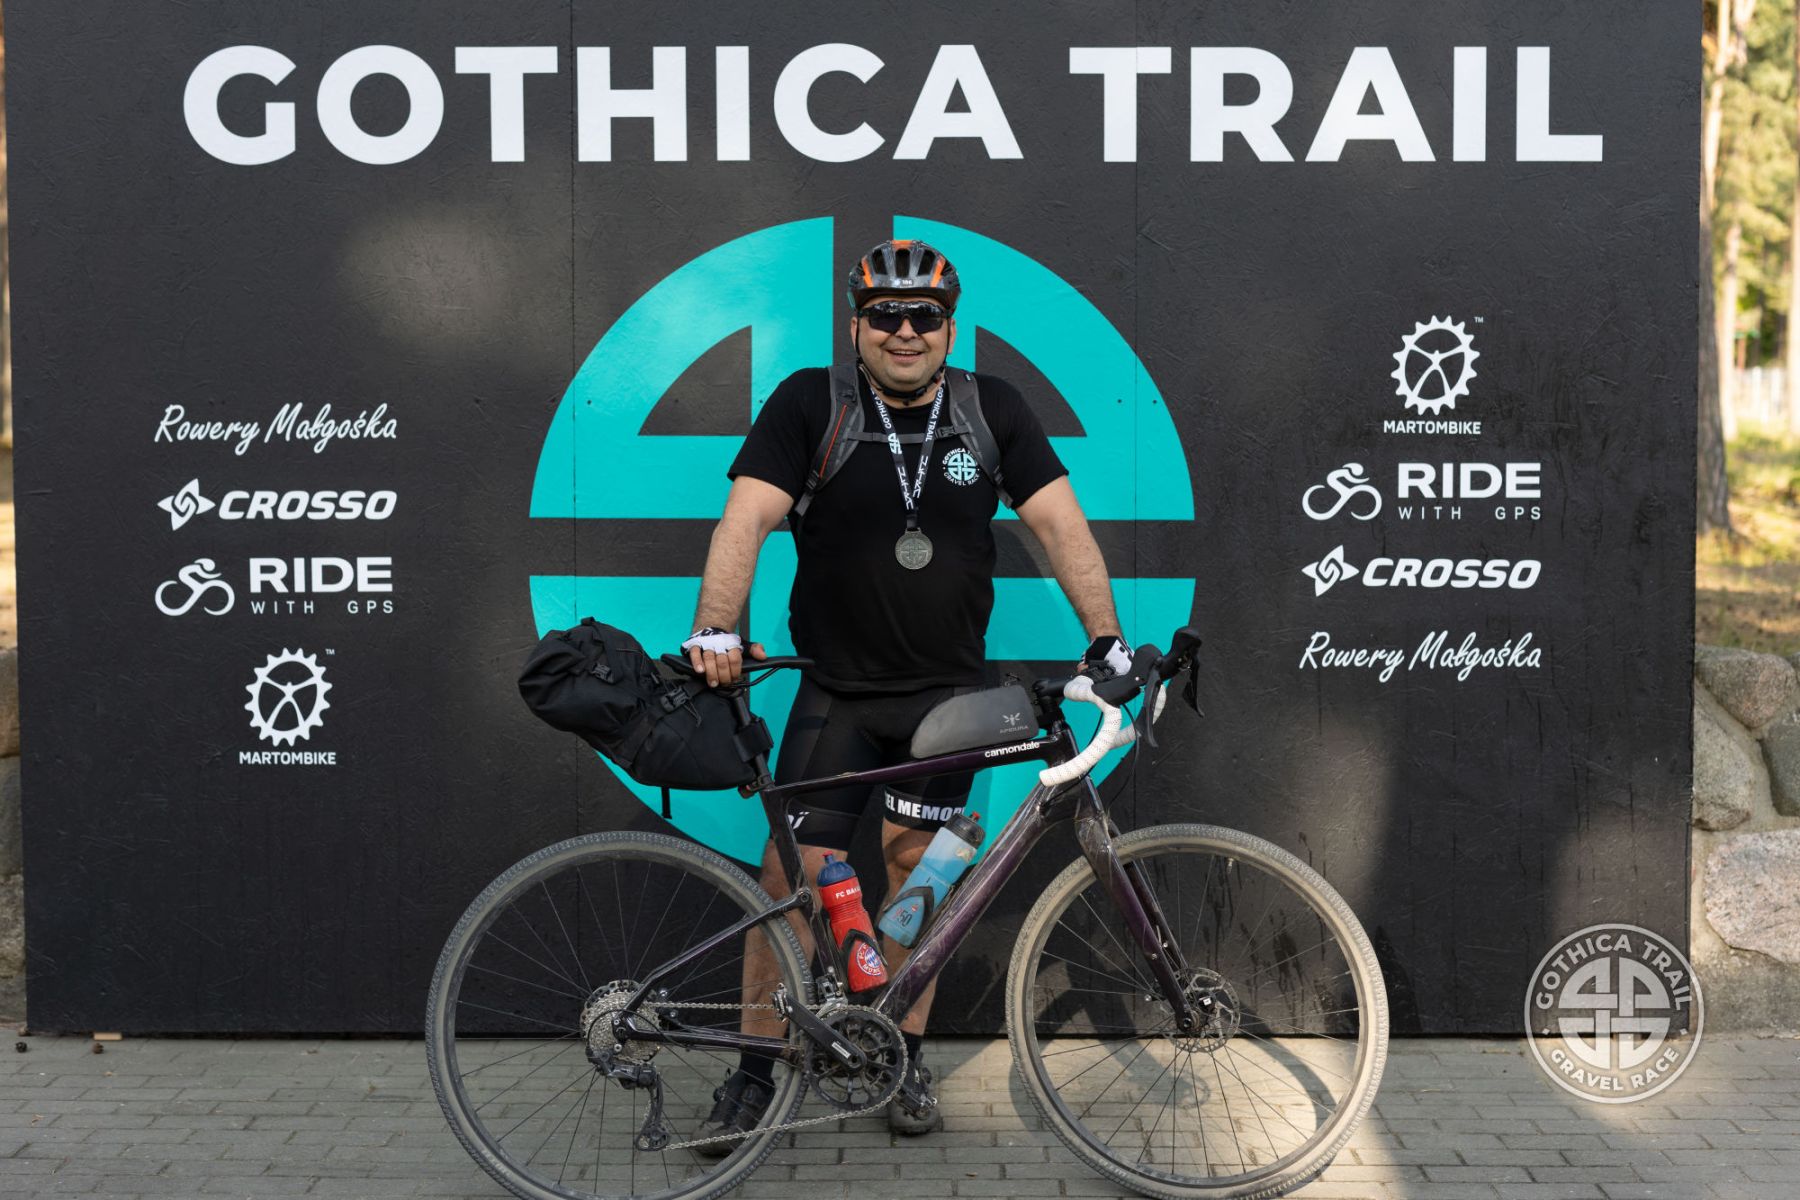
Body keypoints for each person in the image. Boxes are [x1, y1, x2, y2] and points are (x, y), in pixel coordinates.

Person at [682, 238, 1132, 1147]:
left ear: (949, 329)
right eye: (883, 314)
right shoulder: (812, 403)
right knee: (788, 879)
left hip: (948, 698)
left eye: (924, 315)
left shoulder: (990, 409)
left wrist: (1107, 639)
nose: (904, 331)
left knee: (920, 871)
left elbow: (1060, 526)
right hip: (838, 693)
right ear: (856, 326)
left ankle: (899, 1054)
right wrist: (716, 624)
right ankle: (753, 1071)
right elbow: (747, 517)